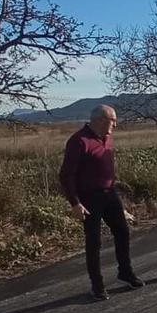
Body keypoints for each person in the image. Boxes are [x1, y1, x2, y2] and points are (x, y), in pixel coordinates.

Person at [59, 104, 144, 300]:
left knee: (122, 232)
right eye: (112, 120)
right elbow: (65, 175)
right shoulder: (79, 141)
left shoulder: (108, 138)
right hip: (89, 198)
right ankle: (97, 285)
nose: (115, 124)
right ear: (99, 120)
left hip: (109, 194)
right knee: (94, 241)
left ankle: (125, 273)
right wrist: (75, 203)